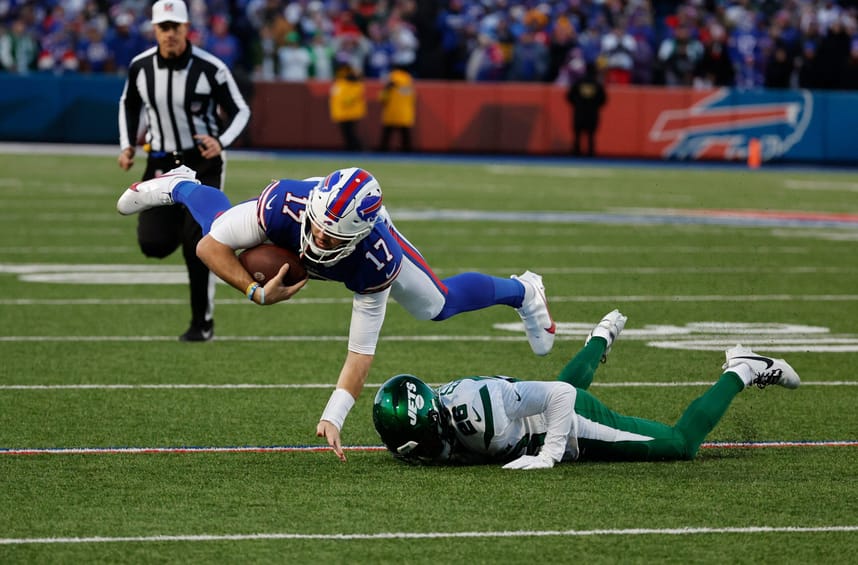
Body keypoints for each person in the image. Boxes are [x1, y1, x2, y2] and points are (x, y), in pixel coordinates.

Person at [115, 165, 556, 461]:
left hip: (369, 238)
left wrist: (334, 414)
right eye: (319, 231)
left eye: (330, 239)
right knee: (221, 229)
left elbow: (360, 353)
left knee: (436, 306)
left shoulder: (374, 257)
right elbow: (208, 247)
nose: (318, 242)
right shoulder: (286, 204)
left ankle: (522, 290)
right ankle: (178, 184)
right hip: (302, 208)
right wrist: (255, 291)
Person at [372, 309, 801, 469]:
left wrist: (551, 454)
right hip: (532, 412)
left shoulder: (482, 414)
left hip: (570, 420)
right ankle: (600, 336)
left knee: (680, 445)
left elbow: (562, 398)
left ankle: (741, 369)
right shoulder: (442, 412)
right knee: (553, 388)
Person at [117, 0, 251, 342]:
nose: (170, 34)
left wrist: (221, 141)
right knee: (153, 244)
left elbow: (240, 110)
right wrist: (126, 144)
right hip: (160, 164)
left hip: (202, 163)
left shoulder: (211, 67)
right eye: (164, 27)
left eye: (176, 27)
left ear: (186, 28)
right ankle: (183, 222)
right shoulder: (140, 66)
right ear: (155, 30)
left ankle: (201, 323)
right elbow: (129, 103)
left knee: (200, 244)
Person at [565, 62, 607, 157]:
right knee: (591, 135)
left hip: (579, 112)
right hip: (592, 113)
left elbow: (569, 96)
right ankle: (591, 153)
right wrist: (595, 105)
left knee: (577, 135)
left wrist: (577, 104)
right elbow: (603, 99)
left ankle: (576, 152)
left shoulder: (579, 82)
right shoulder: (597, 84)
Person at [377, 64, 416, 152]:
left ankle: (383, 150)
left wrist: (386, 90)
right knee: (405, 134)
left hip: (392, 111)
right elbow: (412, 97)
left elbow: (382, 98)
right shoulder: (408, 80)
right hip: (405, 111)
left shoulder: (392, 80)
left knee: (387, 133)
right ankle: (407, 151)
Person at [329, 62, 366, 151]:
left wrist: (345, 103)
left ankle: (356, 148)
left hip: (351, 112)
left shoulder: (355, 85)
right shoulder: (341, 83)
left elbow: (349, 99)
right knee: (347, 132)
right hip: (343, 112)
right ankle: (351, 147)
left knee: (350, 132)